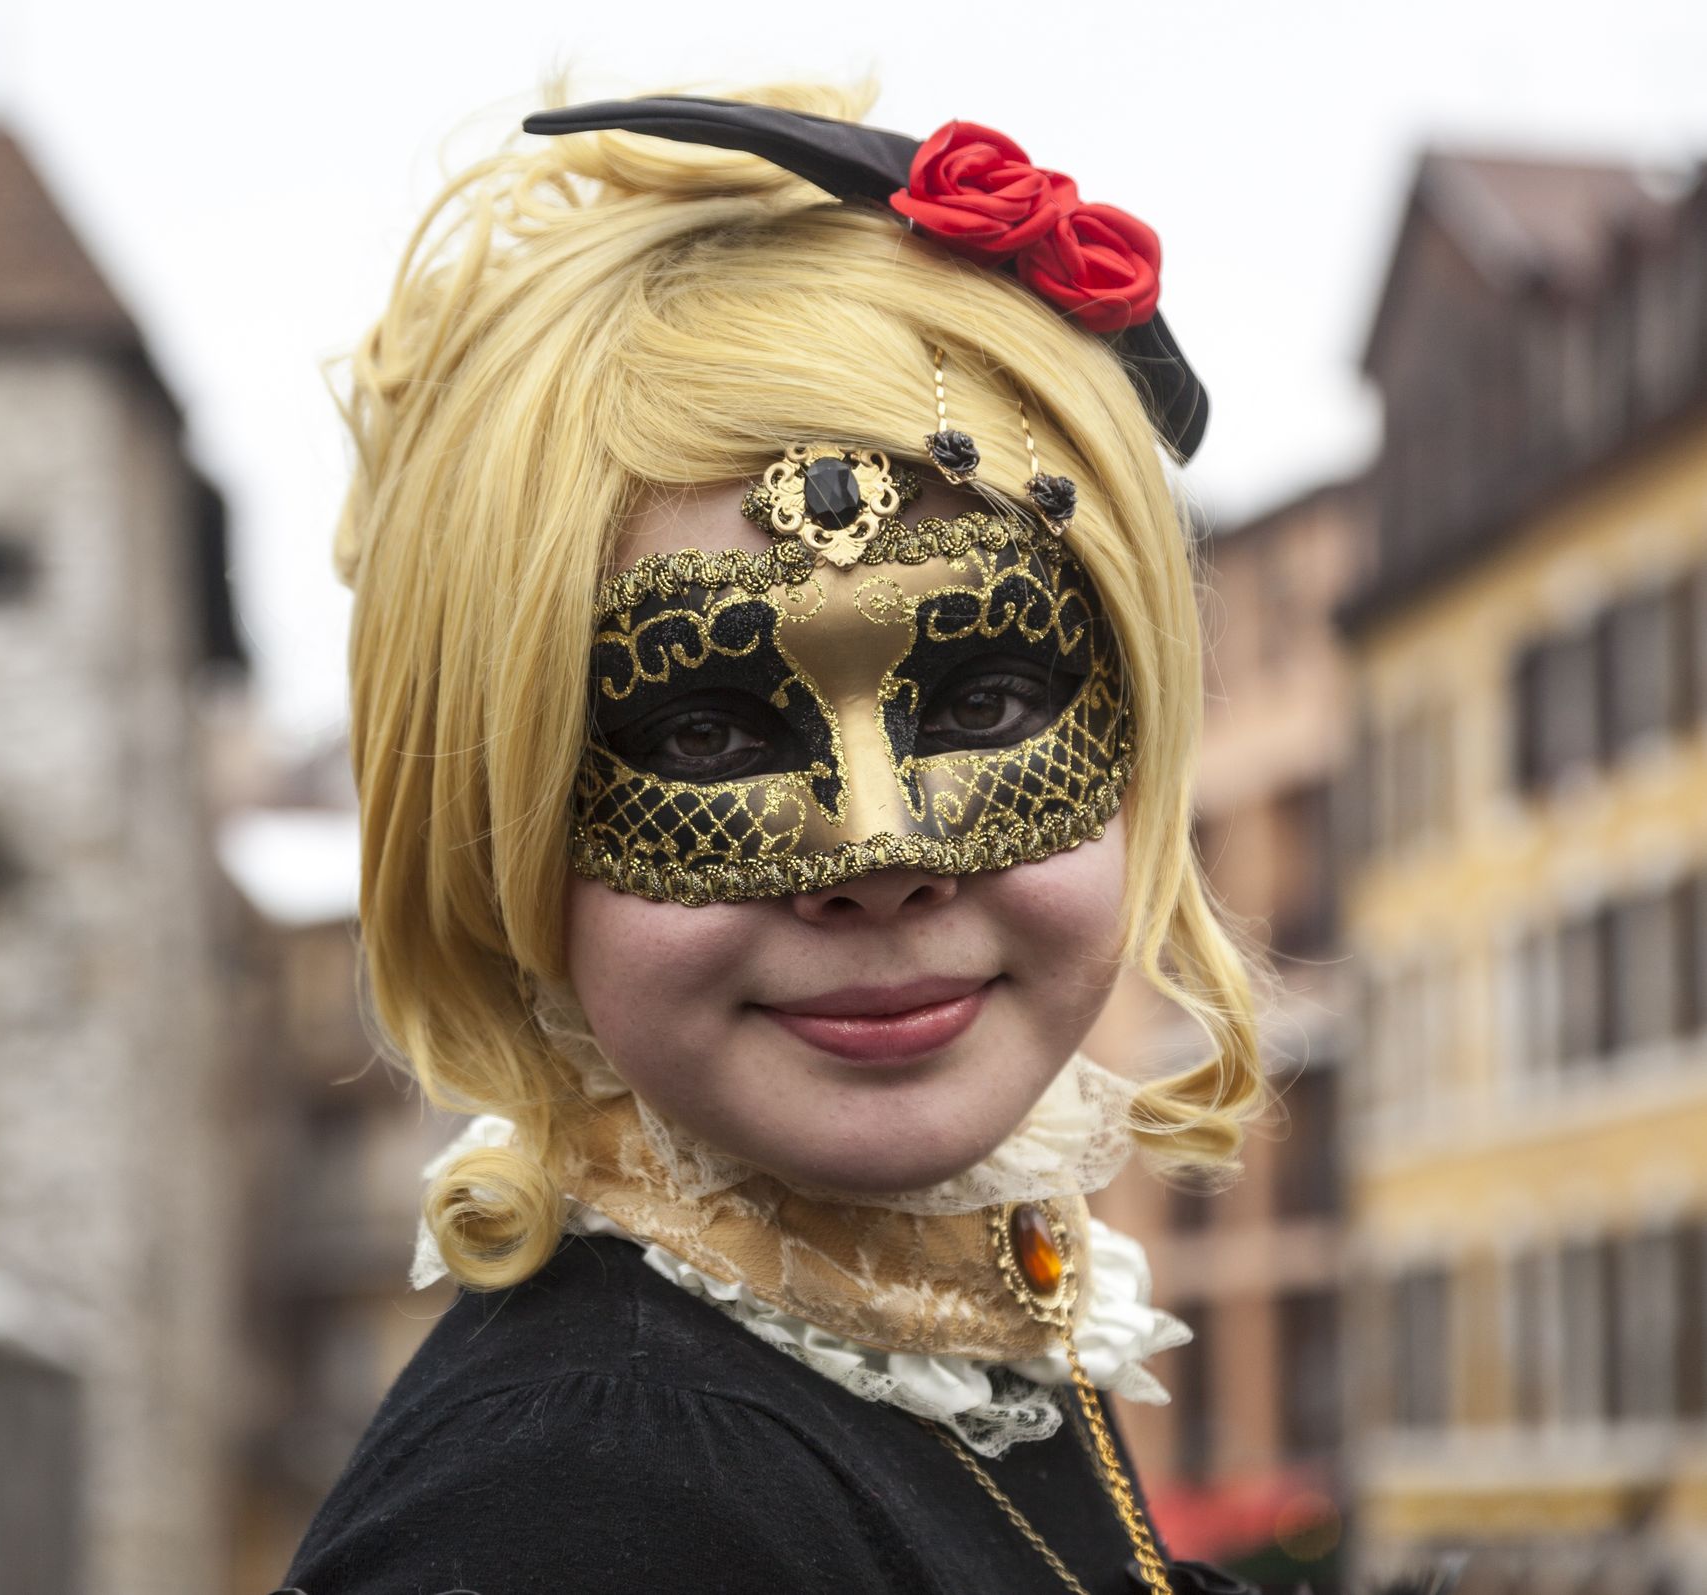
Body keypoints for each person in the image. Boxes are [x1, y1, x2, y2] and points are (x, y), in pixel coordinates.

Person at [280, 83, 1273, 1594]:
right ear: (503, 811)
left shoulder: (935, 1328)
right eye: (704, 732)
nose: (879, 852)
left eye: (987, 692)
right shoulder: (574, 1506)